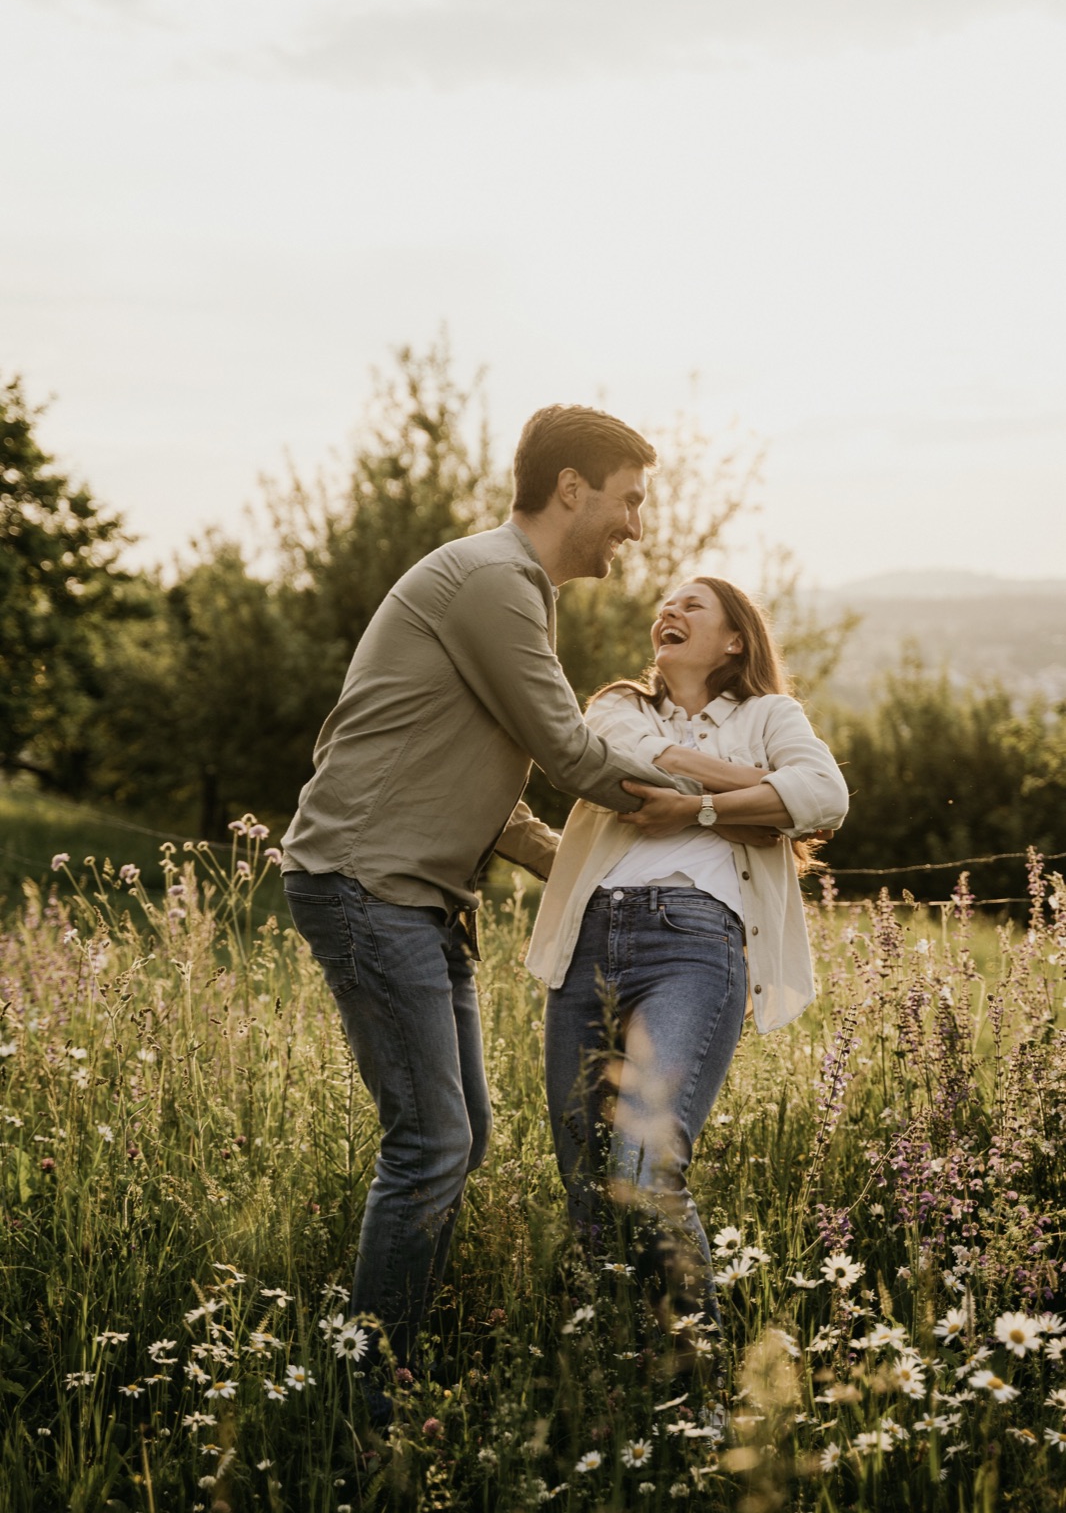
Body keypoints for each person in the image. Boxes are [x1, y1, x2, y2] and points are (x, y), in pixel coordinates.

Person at [280, 405, 700, 1400]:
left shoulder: (503, 589)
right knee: (431, 1143)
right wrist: (722, 809)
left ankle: (391, 1364)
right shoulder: (494, 581)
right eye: (629, 499)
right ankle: (367, 1397)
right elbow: (572, 753)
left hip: (414, 896)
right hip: (365, 883)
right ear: (571, 489)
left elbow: (504, 797)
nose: (635, 525)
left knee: (459, 1129)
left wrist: (576, 868)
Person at [525, 576, 849, 1357]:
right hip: (591, 940)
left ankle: (697, 1366)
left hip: (695, 941)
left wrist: (698, 810)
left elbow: (824, 795)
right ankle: (616, 1366)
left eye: (691, 605)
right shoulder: (618, 706)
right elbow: (620, 759)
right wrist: (756, 795)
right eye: (662, 602)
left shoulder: (773, 715)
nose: (667, 609)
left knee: (643, 1156)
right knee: (586, 1176)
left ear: (735, 639)